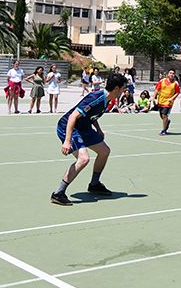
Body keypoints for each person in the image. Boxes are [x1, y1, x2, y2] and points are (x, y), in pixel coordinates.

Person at [50, 72, 128, 206]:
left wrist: (98, 129)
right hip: (69, 127)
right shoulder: (96, 97)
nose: (124, 91)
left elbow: (91, 115)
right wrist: (67, 141)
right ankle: (58, 193)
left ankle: (94, 184)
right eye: (123, 88)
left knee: (104, 151)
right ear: (116, 88)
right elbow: (73, 117)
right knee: (83, 159)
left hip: (84, 127)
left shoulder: (107, 99)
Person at [153, 68, 180, 135]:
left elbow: (177, 92)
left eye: (173, 73)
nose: (172, 74)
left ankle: (164, 130)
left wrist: (172, 98)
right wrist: (153, 98)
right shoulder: (162, 81)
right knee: (161, 115)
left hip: (168, 102)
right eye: (170, 73)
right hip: (161, 101)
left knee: (164, 115)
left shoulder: (175, 83)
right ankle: (167, 121)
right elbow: (157, 89)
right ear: (168, 74)